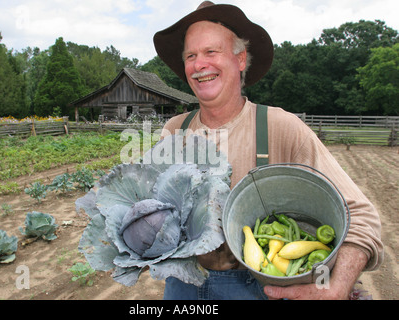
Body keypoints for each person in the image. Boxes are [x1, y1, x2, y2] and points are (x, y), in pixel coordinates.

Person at [153, 1, 383, 300]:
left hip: (258, 287)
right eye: (191, 56)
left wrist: (337, 286)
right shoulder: (174, 130)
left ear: (240, 59)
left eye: (212, 52)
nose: (200, 64)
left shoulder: (280, 127)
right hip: (182, 285)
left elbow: (361, 216)